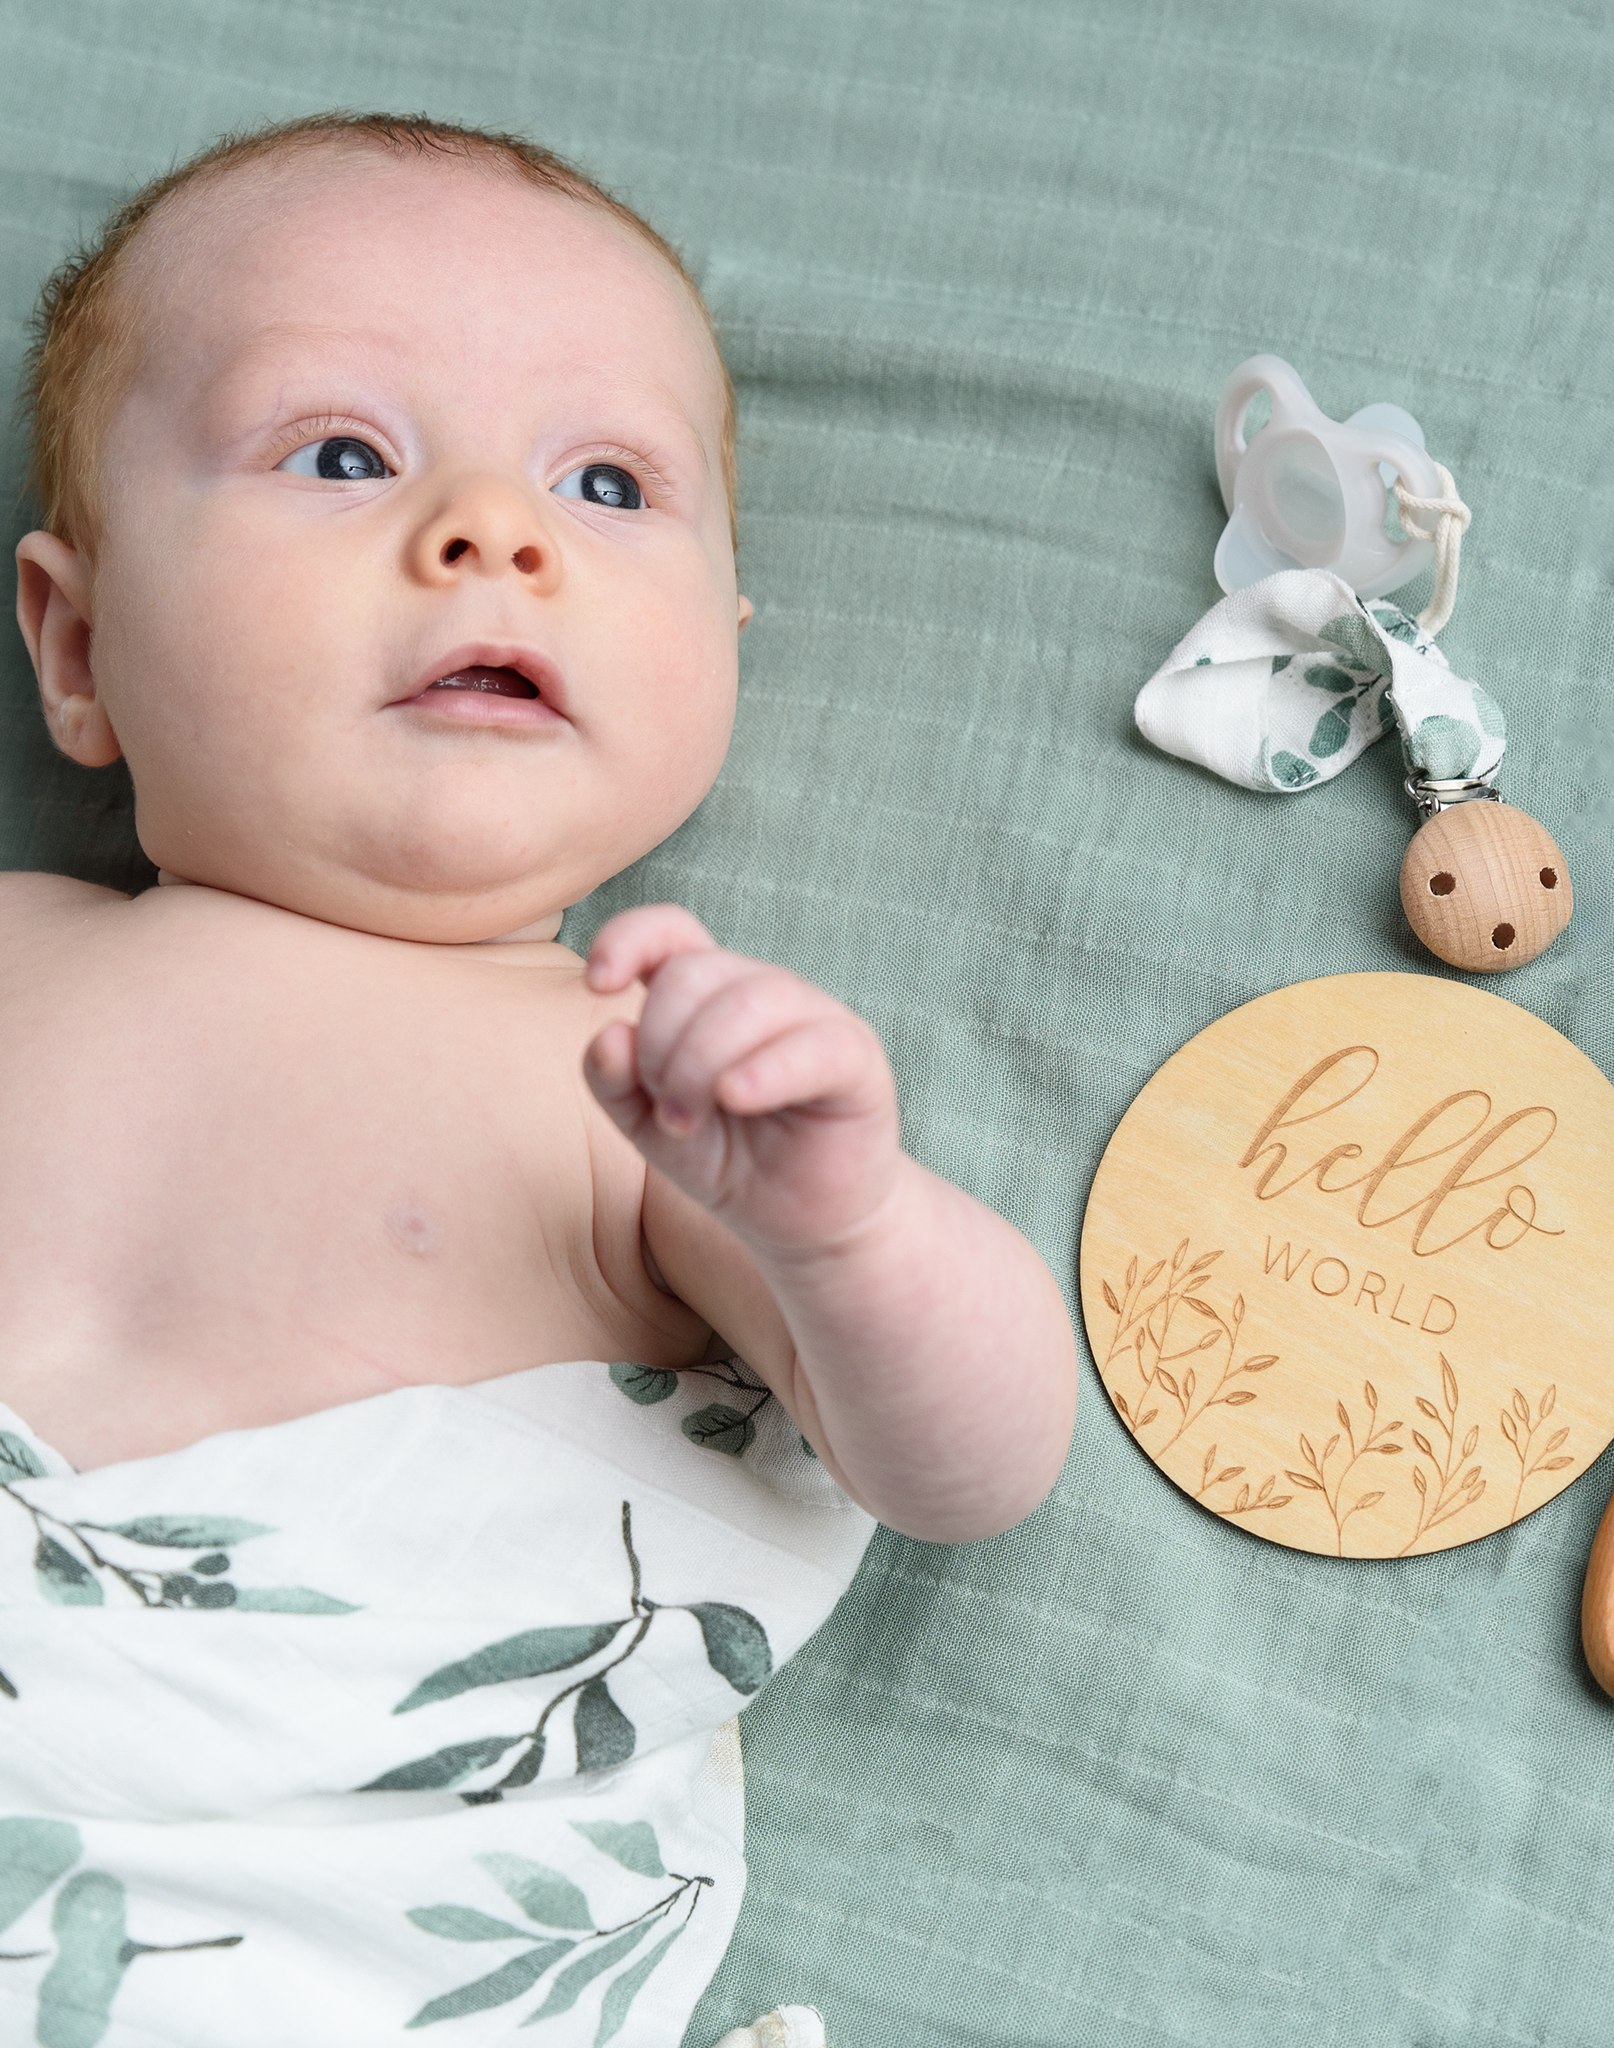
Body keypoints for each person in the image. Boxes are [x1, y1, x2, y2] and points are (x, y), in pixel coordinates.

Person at [0, 113, 1075, 2046]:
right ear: (78, 648)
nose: (494, 532)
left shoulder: (645, 1091)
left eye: (606, 482)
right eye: (342, 453)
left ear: (721, 657)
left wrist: (848, 1230)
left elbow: (970, 1472)